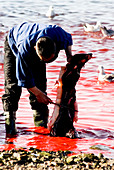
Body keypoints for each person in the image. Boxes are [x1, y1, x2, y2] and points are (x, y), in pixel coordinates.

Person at [2, 22, 73, 135]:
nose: (45, 62)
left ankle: (41, 129)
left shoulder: (58, 34)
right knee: (13, 88)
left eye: (48, 60)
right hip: (14, 42)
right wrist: (38, 94)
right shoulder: (23, 50)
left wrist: (69, 56)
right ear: (35, 49)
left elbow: (68, 39)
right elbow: (23, 79)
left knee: (40, 85)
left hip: (39, 42)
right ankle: (10, 129)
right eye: (43, 59)